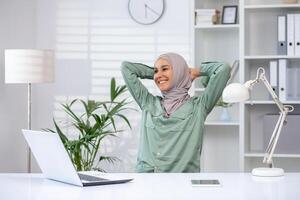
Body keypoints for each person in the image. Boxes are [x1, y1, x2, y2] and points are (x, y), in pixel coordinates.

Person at [121, 52, 230, 173]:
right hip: (146, 182)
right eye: (156, 71)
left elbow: (223, 69)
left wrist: (194, 71)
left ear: (180, 72)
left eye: (165, 69)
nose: (158, 75)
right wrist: (157, 74)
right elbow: (126, 67)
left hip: (182, 185)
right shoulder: (148, 103)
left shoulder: (199, 107)